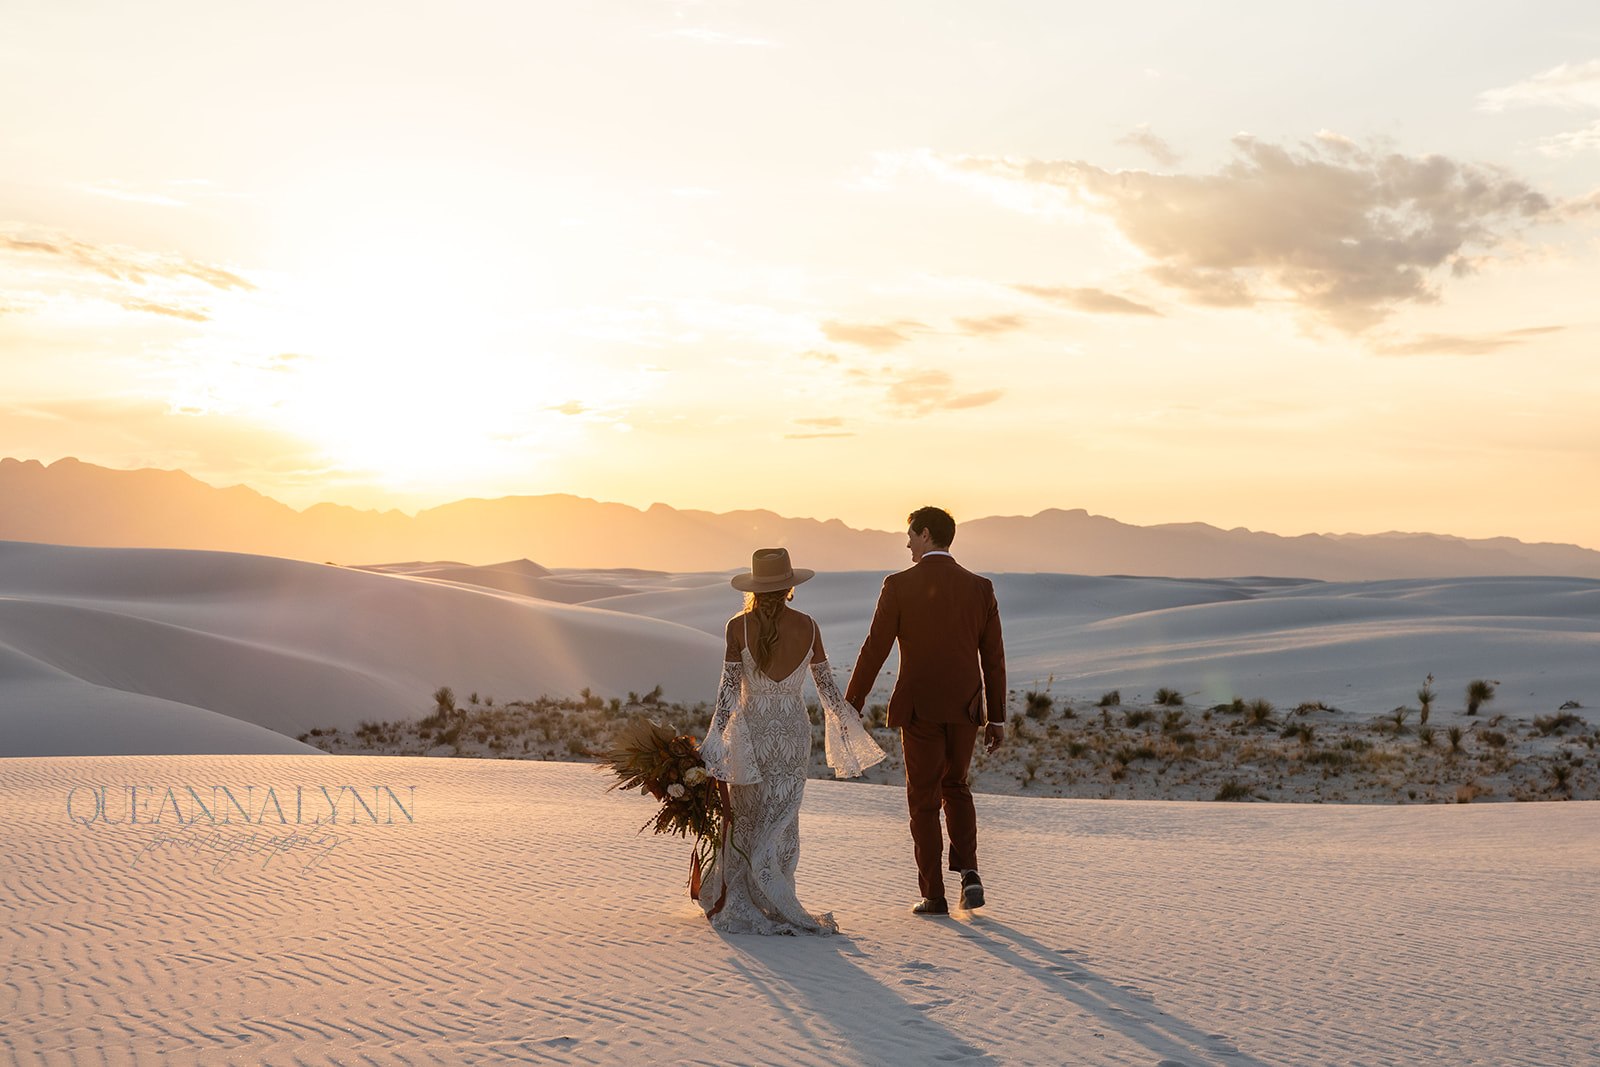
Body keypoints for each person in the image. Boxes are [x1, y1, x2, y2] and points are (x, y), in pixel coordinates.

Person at [698, 547, 886, 935]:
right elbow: (826, 687)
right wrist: (848, 718)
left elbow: (728, 694)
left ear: (754, 587)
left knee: (747, 816)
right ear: (789, 588)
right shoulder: (810, 626)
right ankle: (776, 893)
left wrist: (714, 740)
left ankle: (748, 896)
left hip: (752, 734)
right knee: (781, 819)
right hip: (793, 733)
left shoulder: (738, 626)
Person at [846, 506, 1006, 915]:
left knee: (923, 799)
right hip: (967, 708)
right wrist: (996, 717)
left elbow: (875, 648)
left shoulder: (898, 585)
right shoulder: (980, 588)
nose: (907, 543)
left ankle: (933, 894)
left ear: (927, 534)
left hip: (919, 709)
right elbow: (994, 658)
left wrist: (852, 703)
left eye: (911, 535)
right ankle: (969, 872)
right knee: (957, 786)